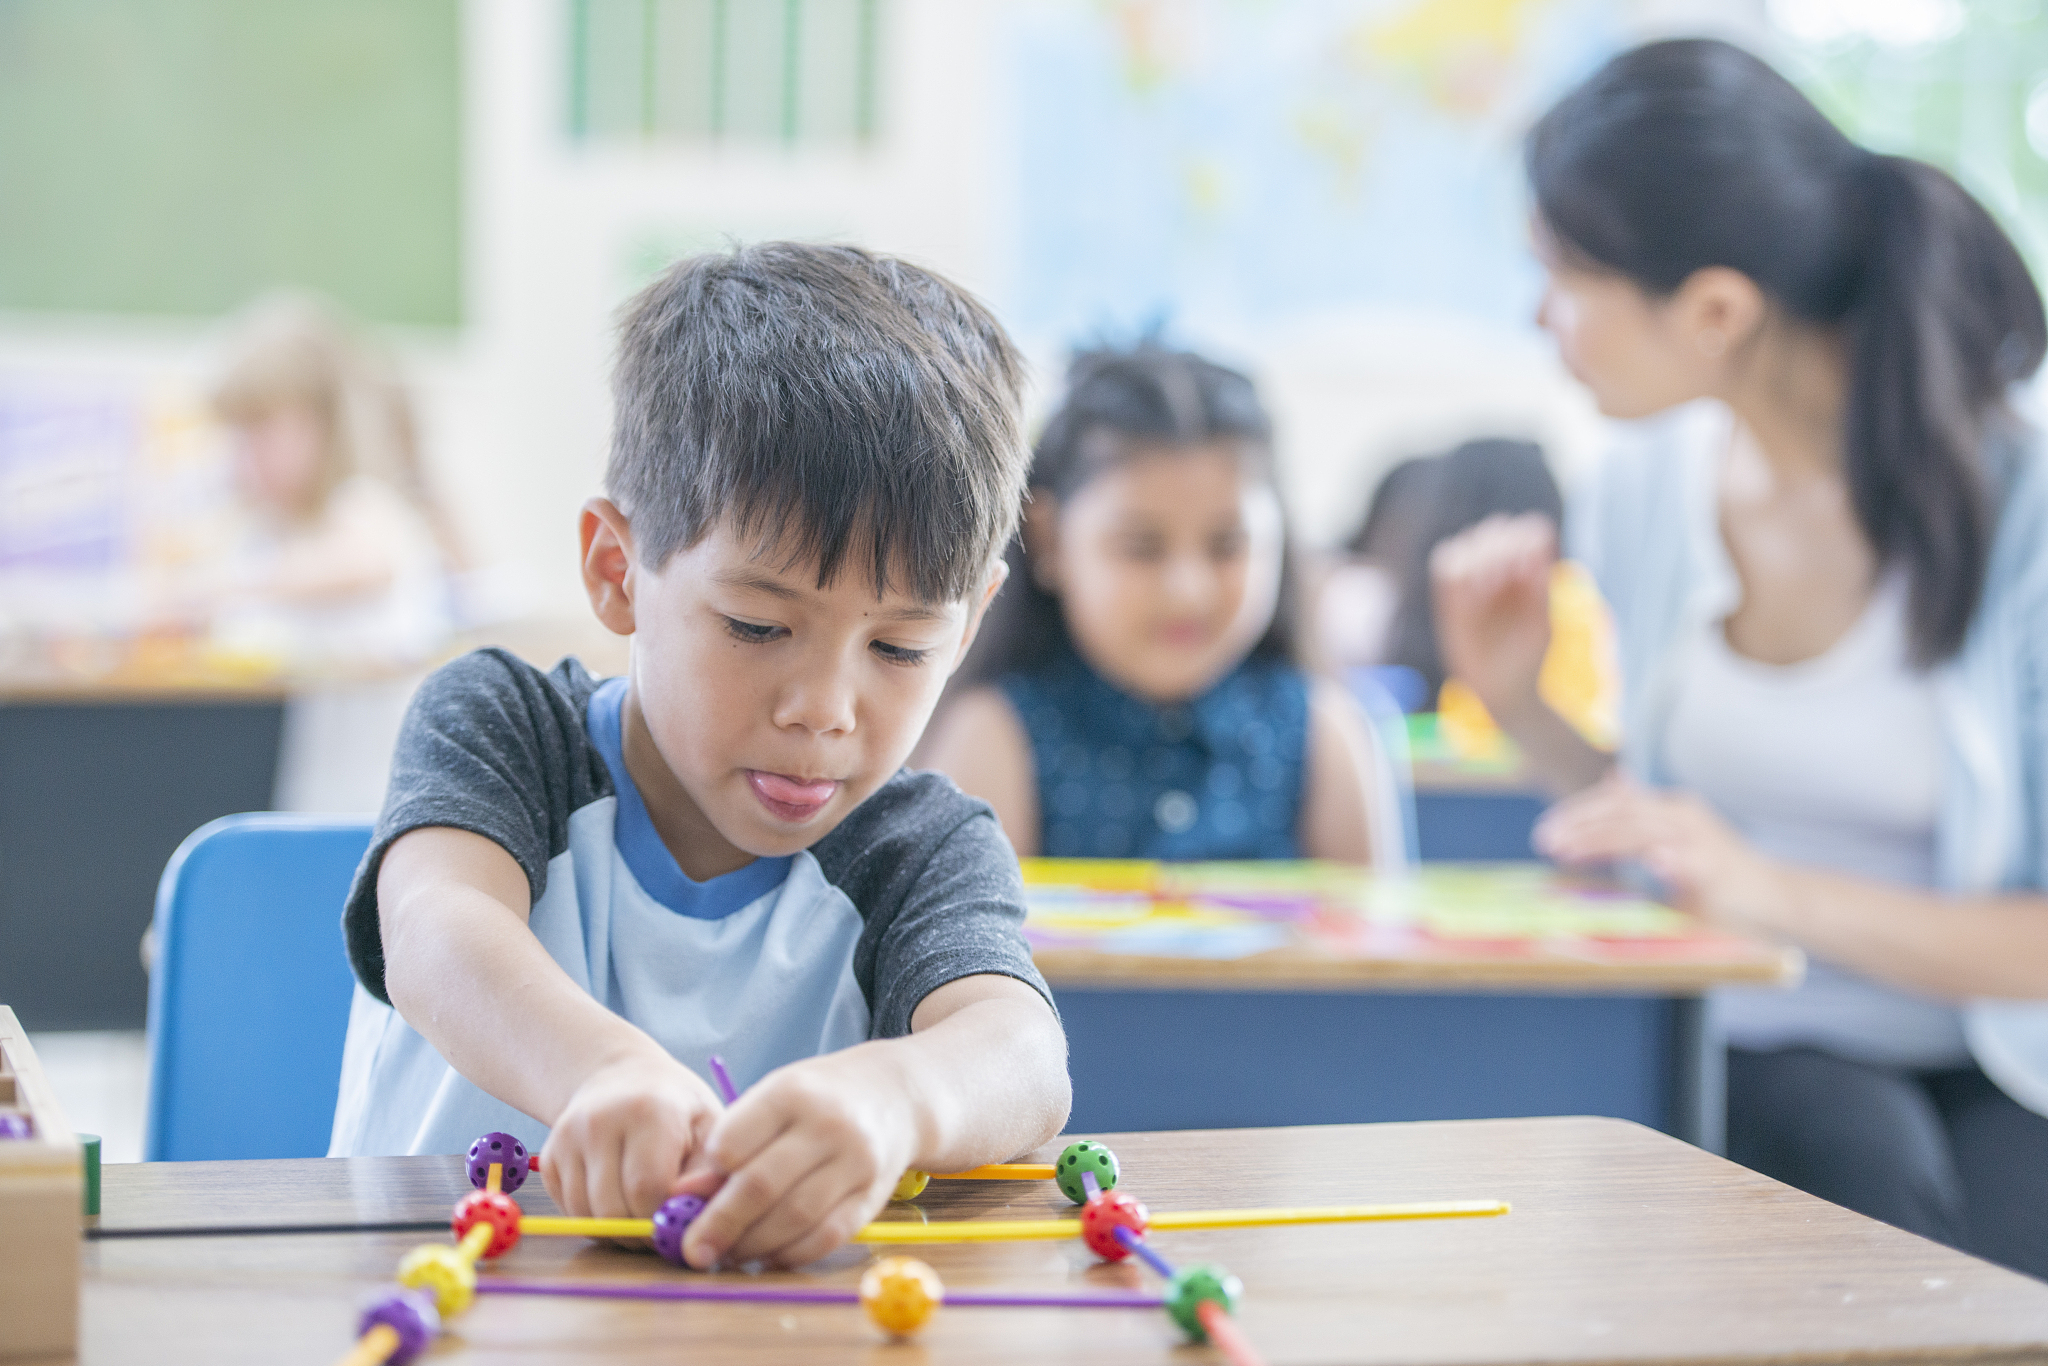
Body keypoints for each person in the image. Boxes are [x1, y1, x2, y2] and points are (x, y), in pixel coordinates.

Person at [326, 243, 1071, 1273]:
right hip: (438, 1311)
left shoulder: (920, 848)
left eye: (900, 647)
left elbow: (1021, 1052)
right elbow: (434, 931)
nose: (824, 709)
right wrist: (598, 1070)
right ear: (615, 569)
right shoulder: (502, 725)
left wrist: (895, 1096)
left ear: (973, 621)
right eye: (758, 626)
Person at [1432, 38, 2048, 1275]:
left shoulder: (2022, 509)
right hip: (1744, 1036)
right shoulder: (1640, 495)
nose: (1536, 318)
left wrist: (1769, 889)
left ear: (1713, 311)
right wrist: (1521, 706)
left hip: (1992, 1053)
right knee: (1866, 1180)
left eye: (1559, 275)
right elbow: (1665, 829)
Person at [921, 344, 1400, 864]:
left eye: (1227, 546)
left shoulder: (1324, 733)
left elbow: (1376, 942)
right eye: (1141, 548)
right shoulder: (995, 735)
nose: (1187, 591)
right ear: (1050, 541)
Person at [203, 293, 460, 670]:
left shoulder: (365, 508)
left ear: (322, 423)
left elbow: (364, 562)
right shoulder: (270, 533)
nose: (245, 453)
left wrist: (227, 587)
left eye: (261, 427)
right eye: (237, 433)